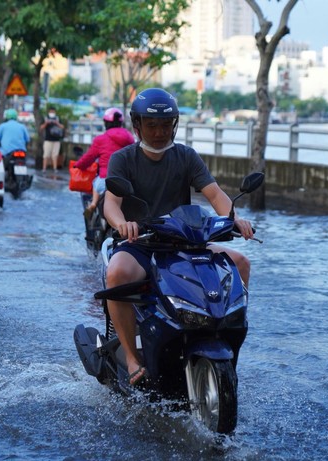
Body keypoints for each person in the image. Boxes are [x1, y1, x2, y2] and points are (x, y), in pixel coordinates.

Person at [103, 88, 255, 386]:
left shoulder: (185, 156)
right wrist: (123, 224)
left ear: (174, 124)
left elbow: (214, 194)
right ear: (137, 125)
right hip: (140, 243)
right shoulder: (123, 159)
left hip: (185, 240)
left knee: (240, 263)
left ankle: (224, 339)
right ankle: (133, 357)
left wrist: (235, 219)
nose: (159, 132)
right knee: (117, 273)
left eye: (165, 125)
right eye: (151, 125)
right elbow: (111, 203)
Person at [74, 107, 134, 218]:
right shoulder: (130, 138)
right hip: (127, 181)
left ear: (106, 123)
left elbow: (89, 158)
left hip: (106, 180)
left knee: (96, 183)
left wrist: (78, 165)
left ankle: (93, 204)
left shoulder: (101, 139)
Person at [39, 106, 64, 172]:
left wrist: (57, 123)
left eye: (53, 111)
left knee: (55, 155)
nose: (52, 113)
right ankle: (44, 168)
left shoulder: (58, 118)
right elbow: (41, 127)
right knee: (46, 154)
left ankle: (55, 168)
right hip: (48, 139)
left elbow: (62, 127)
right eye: (51, 111)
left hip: (56, 140)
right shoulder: (45, 118)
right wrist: (46, 123)